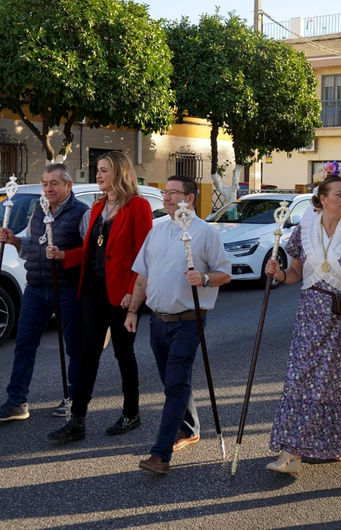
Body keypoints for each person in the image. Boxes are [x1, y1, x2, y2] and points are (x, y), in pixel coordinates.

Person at [263, 175, 341, 474]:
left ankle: (337, 443)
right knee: (301, 380)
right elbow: (294, 274)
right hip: (310, 318)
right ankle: (291, 453)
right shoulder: (304, 232)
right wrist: (278, 275)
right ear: (322, 198)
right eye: (339, 194)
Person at [128, 175, 231, 475]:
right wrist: (132, 309)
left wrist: (205, 278)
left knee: (174, 385)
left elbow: (225, 273)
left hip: (188, 320)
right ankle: (189, 428)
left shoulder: (205, 233)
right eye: (165, 192)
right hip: (158, 321)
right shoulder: (156, 231)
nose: (168, 197)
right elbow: (142, 275)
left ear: (190, 198)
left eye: (174, 193)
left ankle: (160, 455)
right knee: (174, 381)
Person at [48, 153, 153, 442]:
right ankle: (77, 420)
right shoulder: (97, 206)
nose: (98, 175)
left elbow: (144, 256)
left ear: (119, 173)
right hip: (92, 291)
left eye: (104, 170)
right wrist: (65, 255)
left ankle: (131, 412)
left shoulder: (138, 206)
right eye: (98, 170)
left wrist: (134, 294)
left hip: (121, 294)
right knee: (87, 353)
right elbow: (92, 250)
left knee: (123, 353)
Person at [0, 164, 89, 422]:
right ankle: (16, 401)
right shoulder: (39, 211)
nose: (48, 188)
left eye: (54, 183)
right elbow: (34, 245)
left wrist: (65, 256)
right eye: (45, 183)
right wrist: (14, 240)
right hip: (35, 287)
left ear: (69, 186)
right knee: (24, 345)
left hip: (67, 288)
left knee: (74, 347)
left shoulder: (82, 213)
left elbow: (91, 254)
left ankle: (75, 399)